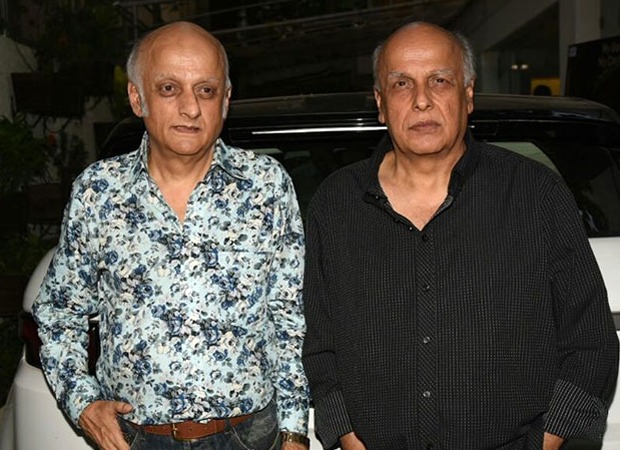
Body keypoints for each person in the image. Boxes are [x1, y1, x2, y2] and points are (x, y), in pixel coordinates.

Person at [301, 21, 618, 450]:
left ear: (468, 94)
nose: (421, 100)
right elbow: (319, 343)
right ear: (380, 103)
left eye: (439, 80)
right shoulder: (335, 204)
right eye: (401, 83)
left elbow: (590, 340)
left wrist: (544, 442)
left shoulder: (536, 194)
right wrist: (349, 437)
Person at [33, 21, 309, 450]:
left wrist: (294, 432)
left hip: (250, 436)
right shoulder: (98, 192)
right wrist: (83, 402)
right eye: (168, 89)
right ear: (136, 97)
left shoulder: (266, 185)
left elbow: (287, 317)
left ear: (226, 99)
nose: (191, 108)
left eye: (206, 90)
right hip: (137, 438)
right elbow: (59, 311)